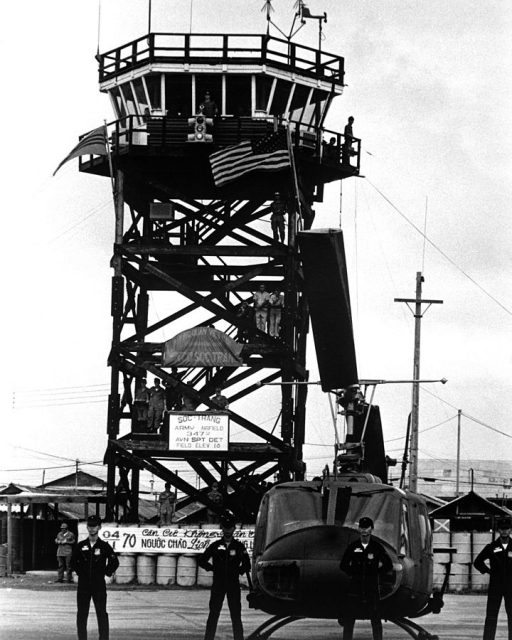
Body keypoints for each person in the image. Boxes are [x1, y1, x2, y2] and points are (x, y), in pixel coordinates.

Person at [198, 510, 251, 640]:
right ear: (222, 528)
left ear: (234, 528)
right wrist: (211, 568)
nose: (228, 531)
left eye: (230, 528)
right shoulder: (215, 546)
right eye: (225, 528)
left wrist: (238, 571)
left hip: (233, 584)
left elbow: (247, 564)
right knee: (213, 614)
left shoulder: (239, 546)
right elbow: (201, 560)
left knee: (236, 616)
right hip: (218, 584)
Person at [339, 516, 392, 640]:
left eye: (367, 527)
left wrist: (376, 571)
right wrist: (353, 572)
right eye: (362, 528)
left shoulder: (377, 547)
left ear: (371, 529)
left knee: (375, 619)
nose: (364, 530)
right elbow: (343, 565)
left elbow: (388, 565)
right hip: (355, 588)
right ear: (359, 529)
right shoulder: (353, 547)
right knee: (349, 619)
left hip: (371, 588)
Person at [70, 515, 119, 640]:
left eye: (94, 526)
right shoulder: (81, 546)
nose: (92, 529)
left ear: (99, 527)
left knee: (101, 614)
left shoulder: (104, 546)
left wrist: (106, 572)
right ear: (87, 527)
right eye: (90, 526)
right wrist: (82, 573)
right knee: (82, 614)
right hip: (83, 586)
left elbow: (114, 562)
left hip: (99, 585)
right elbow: (72, 562)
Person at [473, 516, 512, 640]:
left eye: (507, 529)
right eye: (502, 529)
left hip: (511, 587)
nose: (504, 531)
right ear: (498, 530)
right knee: (491, 616)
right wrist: (488, 571)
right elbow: (477, 562)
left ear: (510, 530)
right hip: (496, 586)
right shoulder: (491, 547)